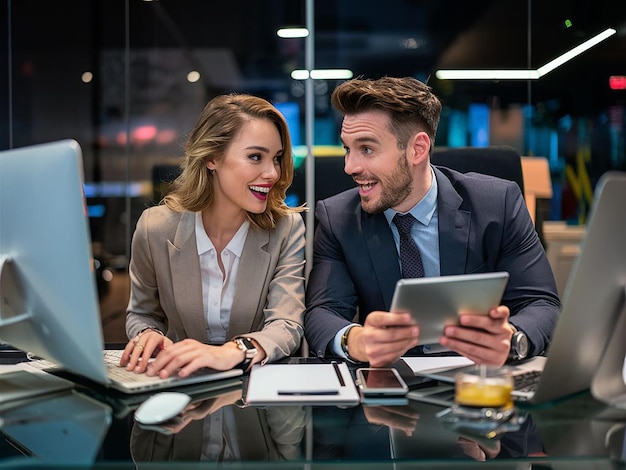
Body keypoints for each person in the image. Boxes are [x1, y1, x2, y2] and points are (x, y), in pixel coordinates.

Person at [304, 76, 560, 367]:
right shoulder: (338, 218)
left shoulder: (497, 203)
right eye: (347, 149)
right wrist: (355, 340)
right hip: (390, 384)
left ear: (417, 149)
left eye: (367, 149)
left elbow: (543, 304)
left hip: (477, 381)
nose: (350, 167)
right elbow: (321, 313)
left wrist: (512, 339)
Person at [120, 93, 306, 377]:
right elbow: (142, 314)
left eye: (277, 158)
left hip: (253, 398)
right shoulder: (154, 228)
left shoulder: (287, 229)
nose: (272, 173)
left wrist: (229, 353)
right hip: (180, 389)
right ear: (211, 158)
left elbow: (287, 325)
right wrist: (147, 334)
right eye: (255, 157)